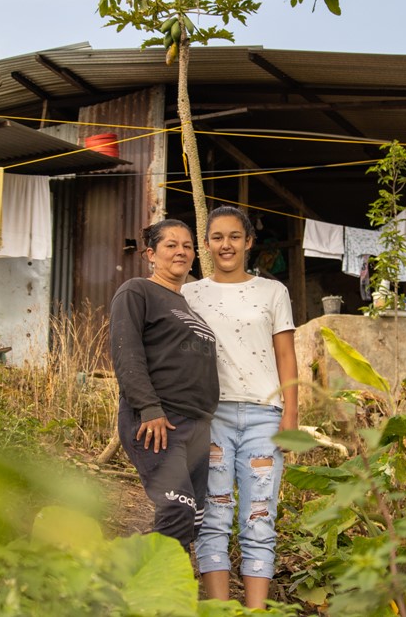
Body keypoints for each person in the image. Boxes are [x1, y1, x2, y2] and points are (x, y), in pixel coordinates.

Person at [182, 206, 298, 609]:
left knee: (259, 517)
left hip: (264, 418)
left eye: (234, 236)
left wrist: (291, 414)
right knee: (213, 515)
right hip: (210, 418)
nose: (225, 245)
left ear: (249, 242)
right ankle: (218, 609)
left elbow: (286, 355)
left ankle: (255, 610)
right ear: (207, 244)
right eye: (217, 237)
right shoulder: (189, 293)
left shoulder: (273, 292)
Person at [109, 218, 220, 549]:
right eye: (171, 245)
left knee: (194, 521)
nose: (181, 251)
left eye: (187, 246)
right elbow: (126, 352)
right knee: (176, 508)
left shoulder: (190, 307)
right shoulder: (137, 291)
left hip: (197, 426)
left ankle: (165, 589)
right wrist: (148, 407)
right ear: (150, 254)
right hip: (159, 420)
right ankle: (141, 594)